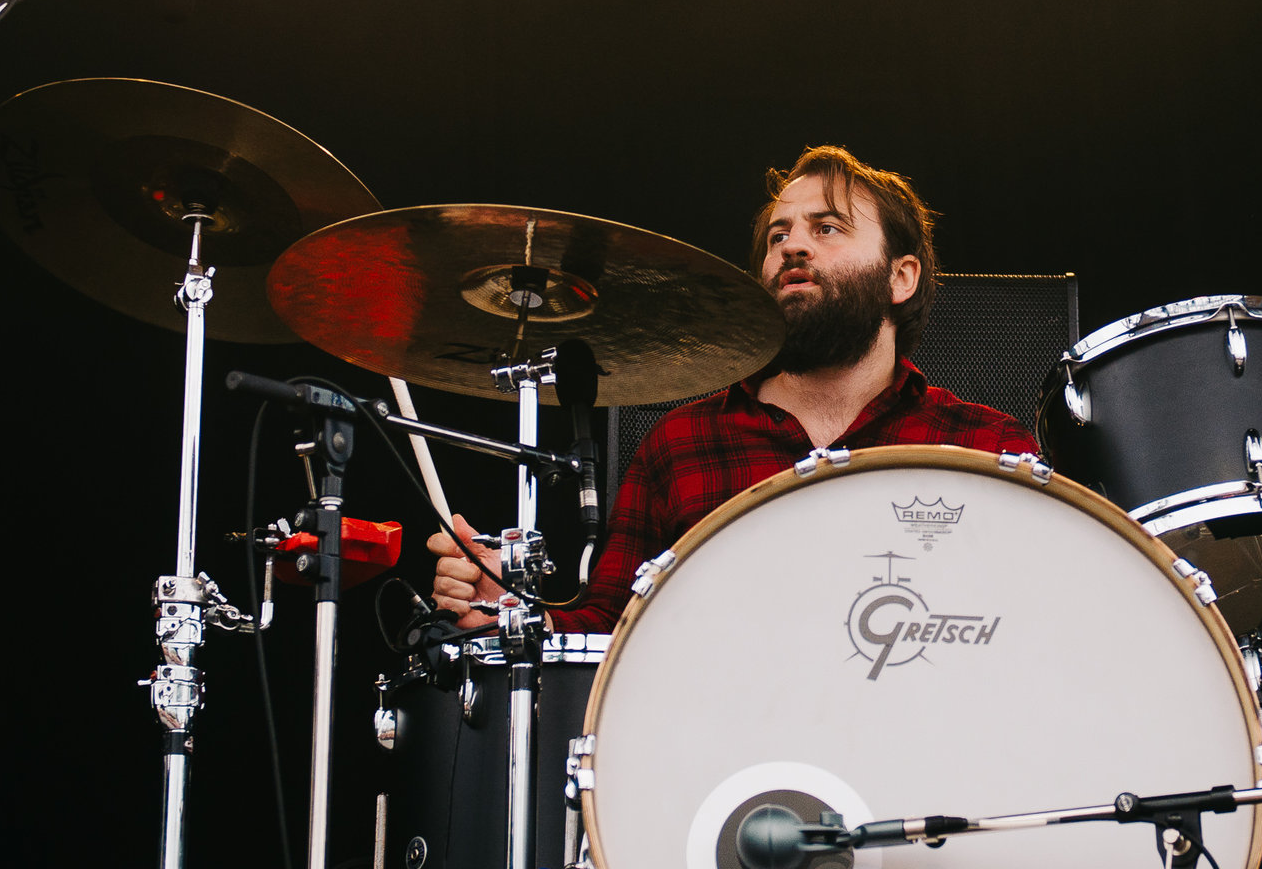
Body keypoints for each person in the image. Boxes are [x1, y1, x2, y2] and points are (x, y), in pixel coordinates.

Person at [429, 146, 1039, 633]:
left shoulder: (986, 446)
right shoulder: (682, 442)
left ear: (899, 277)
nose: (793, 245)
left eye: (827, 228)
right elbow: (609, 631)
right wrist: (505, 606)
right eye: (778, 236)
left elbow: (1041, 625)